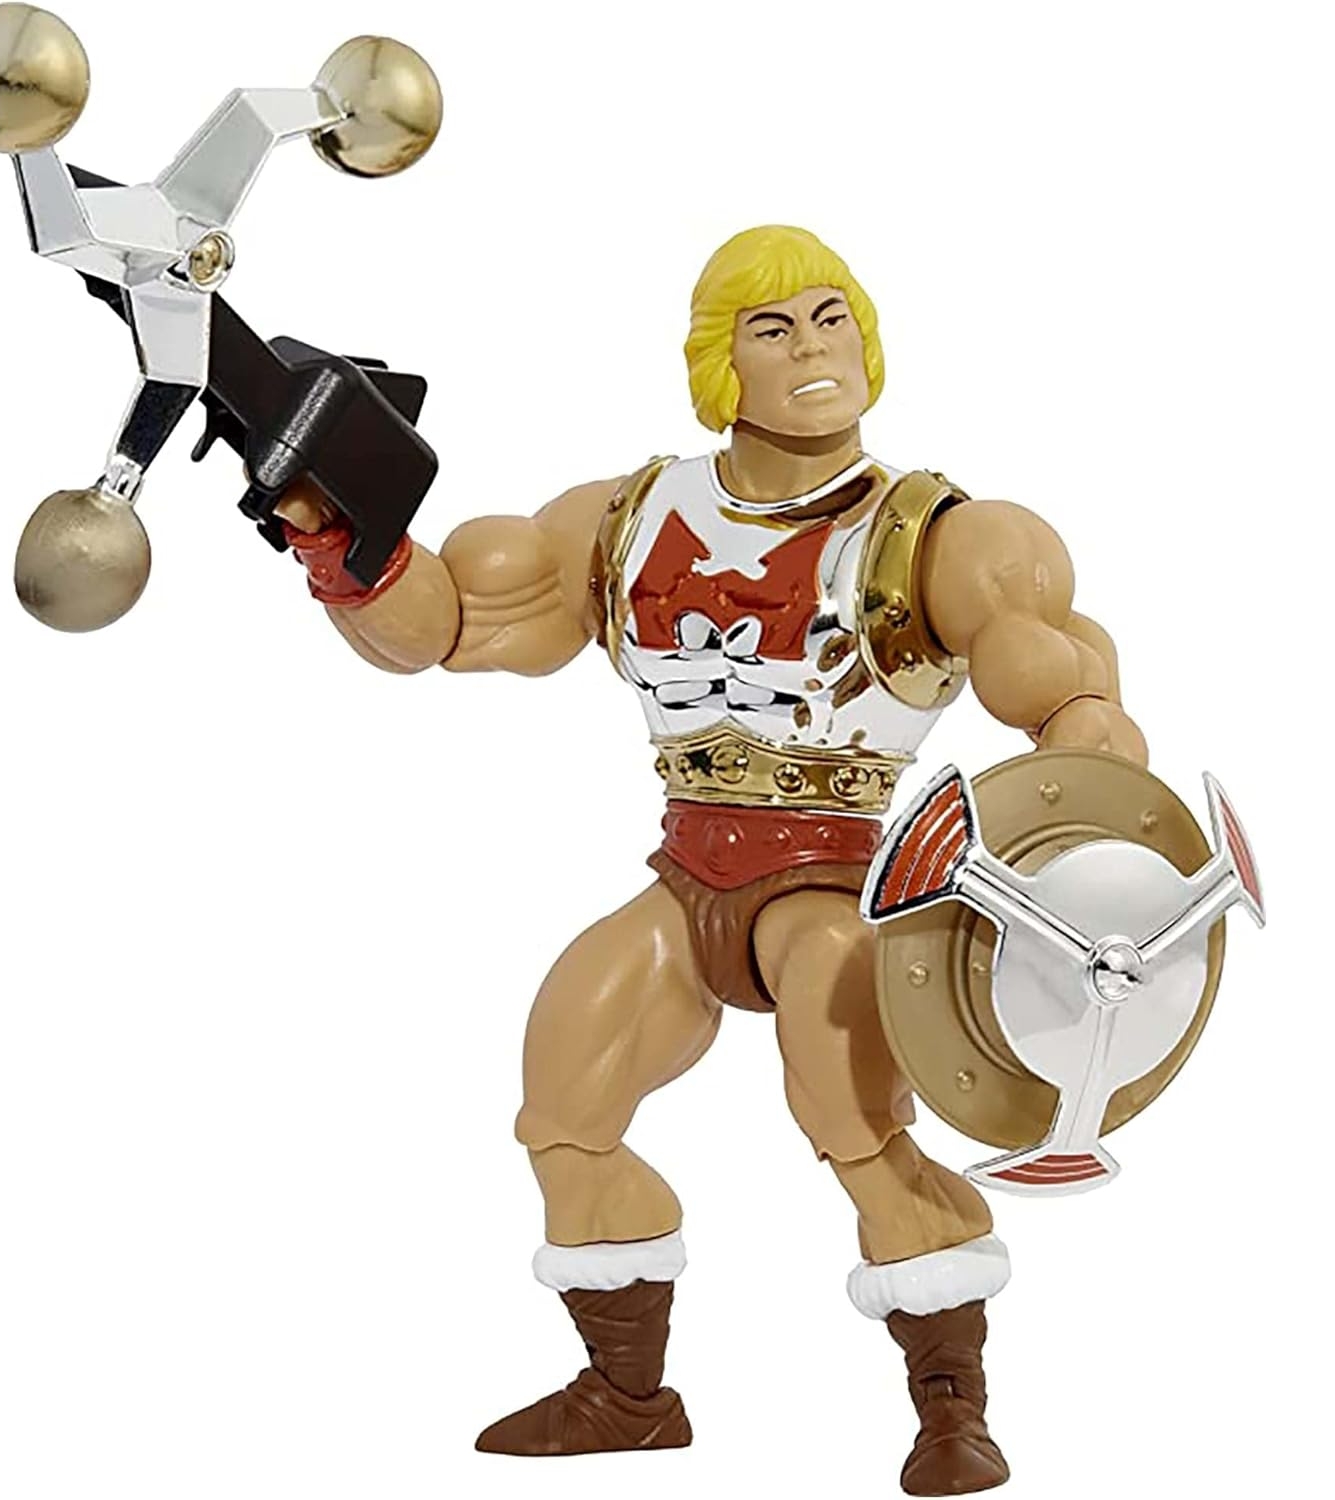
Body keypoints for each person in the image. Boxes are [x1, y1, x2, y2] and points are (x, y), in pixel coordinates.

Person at [274, 225, 1144, 1495]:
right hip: (689, 873)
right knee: (563, 1098)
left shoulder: (941, 537)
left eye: (833, 319)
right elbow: (452, 624)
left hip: (837, 880)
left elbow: (1075, 715)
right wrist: (336, 534)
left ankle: (951, 1405)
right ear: (720, 364)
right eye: (773, 328)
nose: (812, 349)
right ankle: (628, 1396)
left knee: (850, 1117)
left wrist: (1085, 896)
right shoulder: (630, 517)